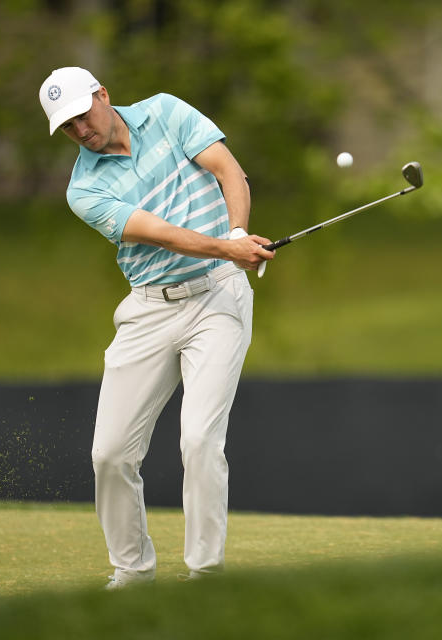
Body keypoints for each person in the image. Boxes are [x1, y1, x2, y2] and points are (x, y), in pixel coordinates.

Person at [38, 66, 274, 588]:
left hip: (217, 297)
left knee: (200, 440)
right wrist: (228, 247)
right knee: (111, 452)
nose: (80, 131)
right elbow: (160, 233)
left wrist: (236, 233)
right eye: (67, 127)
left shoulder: (166, 111)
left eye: (82, 115)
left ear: (103, 94)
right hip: (148, 308)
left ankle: (205, 574)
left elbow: (228, 171)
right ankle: (132, 570)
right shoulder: (84, 189)